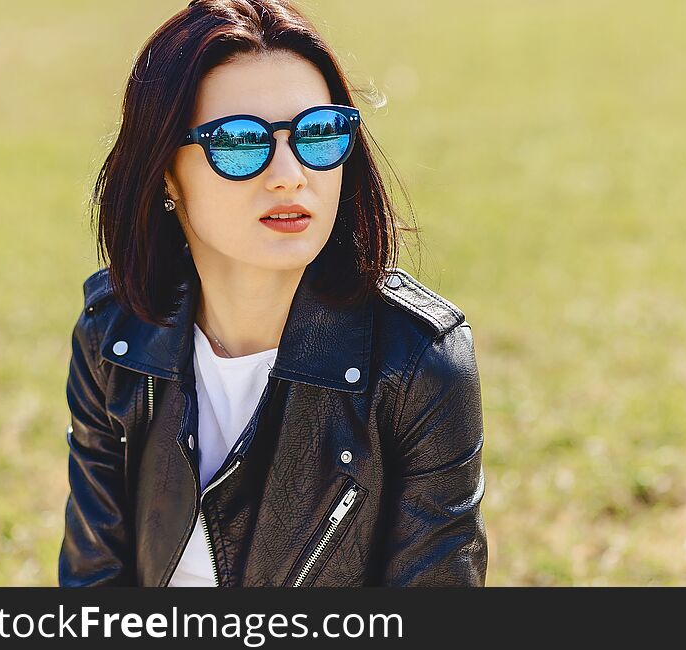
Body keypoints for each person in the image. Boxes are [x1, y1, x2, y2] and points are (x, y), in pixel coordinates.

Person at [59, 0, 487, 587]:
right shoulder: (114, 334)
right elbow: (92, 587)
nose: (290, 174)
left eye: (319, 133)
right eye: (239, 142)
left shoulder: (417, 362)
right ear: (164, 169)